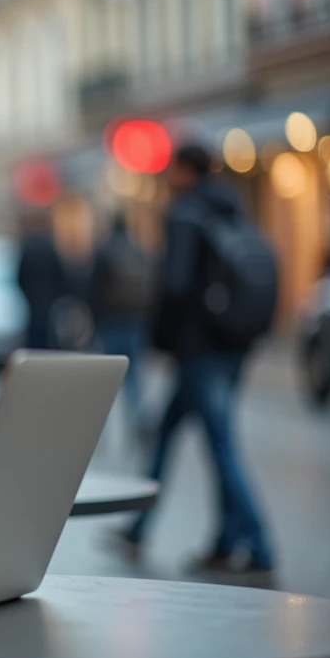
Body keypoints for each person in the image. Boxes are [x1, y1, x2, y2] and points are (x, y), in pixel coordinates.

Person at [118, 144, 275, 578]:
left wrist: (159, 340)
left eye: (172, 168)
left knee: (221, 447)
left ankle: (259, 545)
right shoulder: (231, 209)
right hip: (232, 344)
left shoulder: (186, 214)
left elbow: (176, 285)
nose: (167, 176)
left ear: (186, 170)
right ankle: (148, 528)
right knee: (171, 433)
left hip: (199, 350)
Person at [90, 211, 154, 440]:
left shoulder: (105, 251)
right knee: (134, 377)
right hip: (136, 321)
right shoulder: (139, 251)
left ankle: (98, 431)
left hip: (110, 322)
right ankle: (136, 424)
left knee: (106, 379)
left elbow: (94, 289)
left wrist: (93, 321)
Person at [16, 208, 66, 350]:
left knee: (33, 339)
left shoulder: (28, 248)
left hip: (32, 301)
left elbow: (20, 276)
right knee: (48, 339)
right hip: (49, 302)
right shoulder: (51, 248)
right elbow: (60, 276)